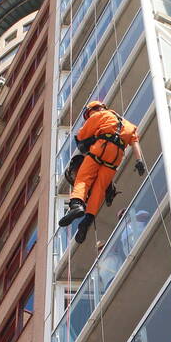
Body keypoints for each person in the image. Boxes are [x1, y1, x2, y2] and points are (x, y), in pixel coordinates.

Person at [59, 101, 146, 244]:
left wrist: (89, 140)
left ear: (93, 110)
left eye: (88, 114)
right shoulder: (127, 124)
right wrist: (139, 161)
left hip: (100, 149)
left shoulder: (99, 115)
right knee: (99, 189)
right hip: (115, 157)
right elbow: (134, 142)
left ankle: (76, 205)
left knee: (83, 178)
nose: (89, 117)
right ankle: (87, 221)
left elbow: (81, 136)